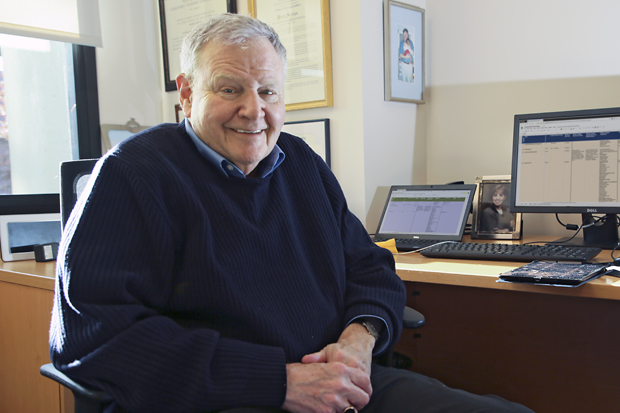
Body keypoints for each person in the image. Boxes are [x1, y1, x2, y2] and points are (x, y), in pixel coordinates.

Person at [49, 13, 534, 413]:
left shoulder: (300, 162)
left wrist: (360, 339)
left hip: (340, 385)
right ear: (188, 92)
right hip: (222, 399)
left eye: (268, 91)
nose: (253, 110)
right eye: (229, 89)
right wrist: (280, 382)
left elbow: (369, 266)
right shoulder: (133, 175)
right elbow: (95, 339)